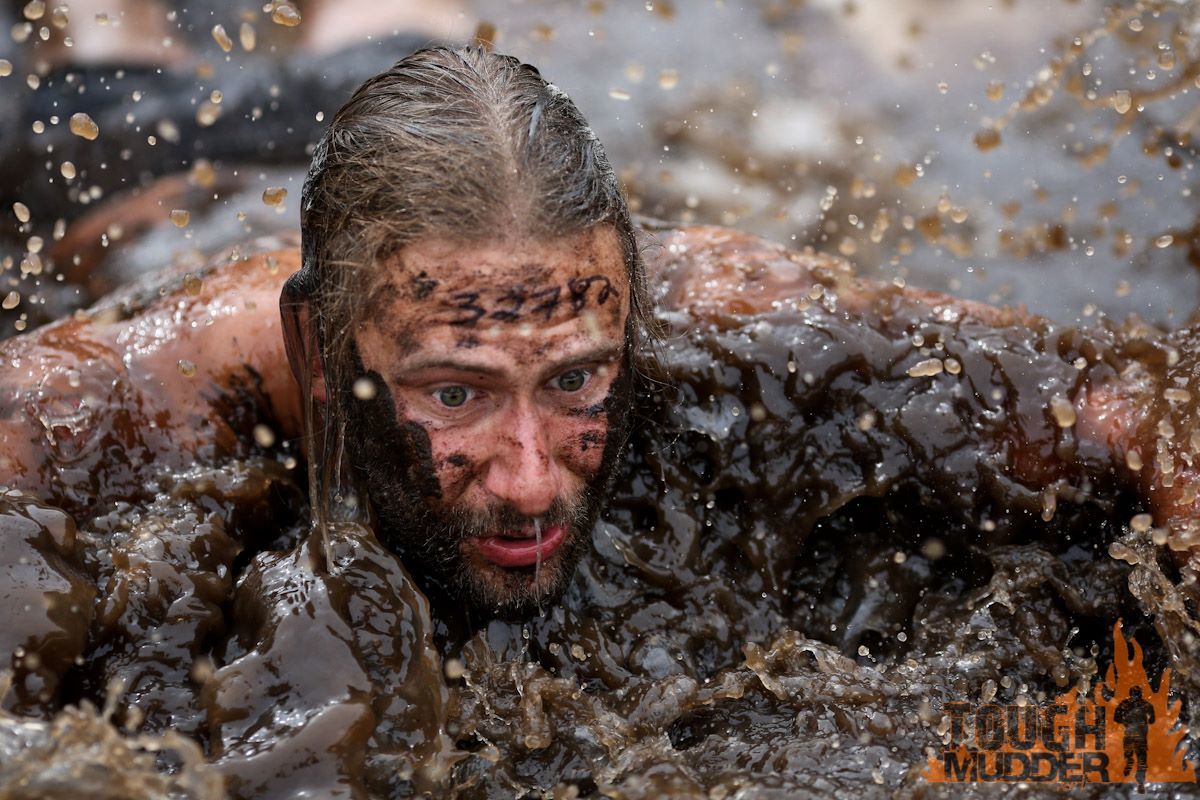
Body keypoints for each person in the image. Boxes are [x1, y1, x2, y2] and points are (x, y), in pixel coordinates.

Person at [1, 46, 1198, 768]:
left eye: (575, 379)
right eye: (457, 392)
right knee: (113, 87)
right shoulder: (118, 401)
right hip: (173, 191)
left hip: (391, 159)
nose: (529, 477)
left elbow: (1140, 397)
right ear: (320, 345)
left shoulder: (725, 306)